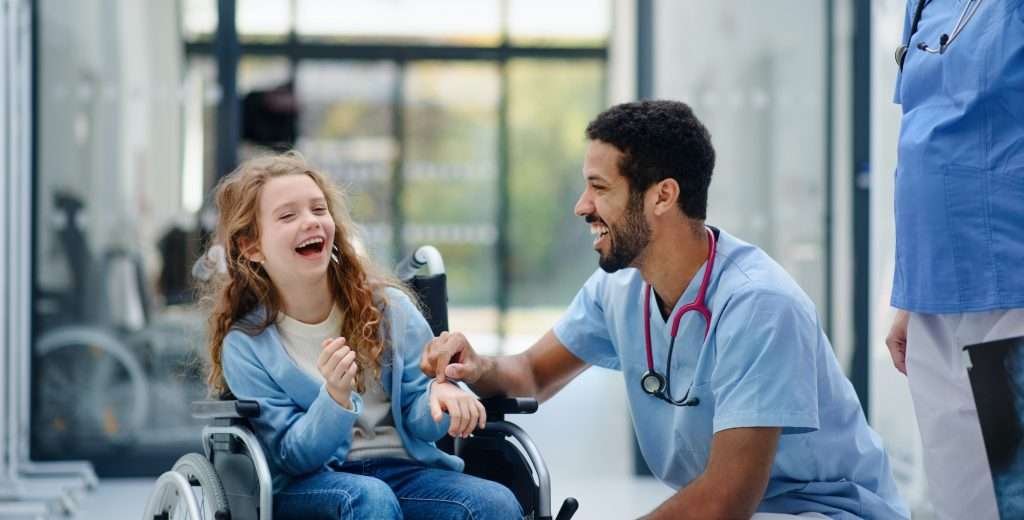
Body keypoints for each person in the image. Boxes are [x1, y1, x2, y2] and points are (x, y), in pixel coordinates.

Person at [422, 100, 908, 519]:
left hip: (823, 510)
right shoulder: (620, 289)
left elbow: (726, 500)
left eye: (600, 187)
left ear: (662, 196)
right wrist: (477, 365)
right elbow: (531, 373)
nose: (581, 206)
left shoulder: (758, 304)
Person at [203, 153, 521, 519]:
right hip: (312, 483)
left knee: (493, 504)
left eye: (319, 210)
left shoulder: (390, 309)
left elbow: (421, 420)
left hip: (403, 472)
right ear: (251, 246)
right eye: (288, 215)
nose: (311, 222)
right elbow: (292, 454)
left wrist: (442, 395)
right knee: (369, 499)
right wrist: (334, 399)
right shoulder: (247, 345)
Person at [886, 1, 1024, 518]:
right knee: (960, 499)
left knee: (1014, 494)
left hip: (1008, 279)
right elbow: (921, 142)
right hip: (933, 285)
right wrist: (907, 294)